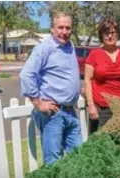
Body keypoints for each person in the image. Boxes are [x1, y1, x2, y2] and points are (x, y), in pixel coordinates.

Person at [19, 12, 82, 165]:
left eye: (68, 28)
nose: (64, 32)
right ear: (52, 29)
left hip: (70, 111)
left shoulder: (70, 46)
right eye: (60, 27)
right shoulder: (44, 48)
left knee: (79, 158)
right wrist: (38, 102)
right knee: (53, 162)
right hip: (53, 114)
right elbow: (26, 75)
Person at [84, 19, 120, 133]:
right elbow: (87, 80)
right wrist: (90, 105)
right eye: (106, 33)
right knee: (100, 145)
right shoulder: (94, 55)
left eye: (113, 33)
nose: (110, 36)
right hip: (100, 109)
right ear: (101, 35)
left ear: (117, 34)